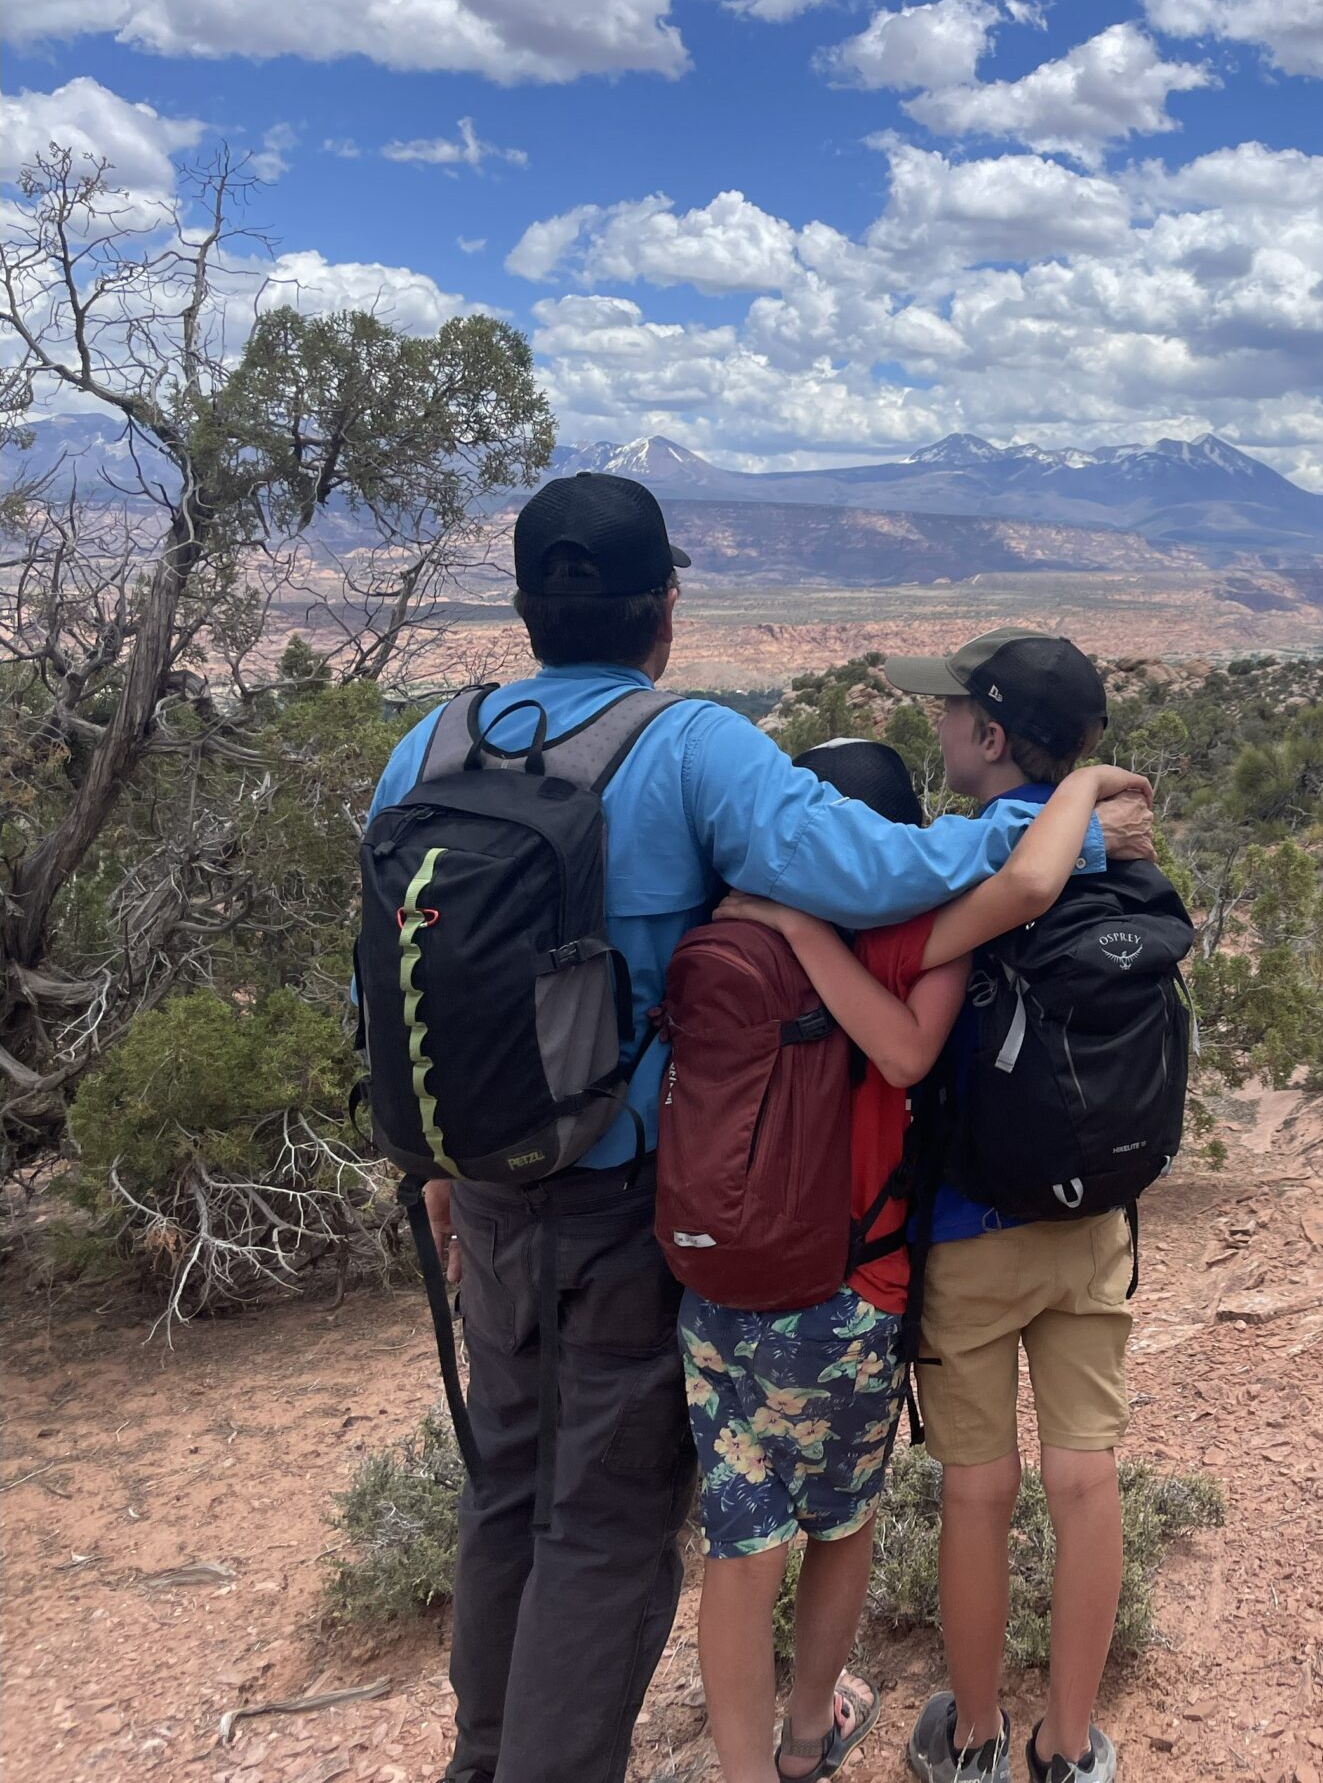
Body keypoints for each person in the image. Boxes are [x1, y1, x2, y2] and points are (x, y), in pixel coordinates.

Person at [368, 477, 1155, 1783]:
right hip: (632, 1202)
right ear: (665, 608)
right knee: (605, 1525)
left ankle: (483, 1754)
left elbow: (390, 985)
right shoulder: (685, 747)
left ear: (524, 606)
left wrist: (439, 1160)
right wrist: (1063, 820)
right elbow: (889, 877)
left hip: (487, 1189)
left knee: (505, 1483)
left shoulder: (429, 749)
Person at [686, 740, 1151, 1783]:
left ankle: (943, 1744)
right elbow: (911, 1047)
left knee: (744, 1533)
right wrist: (1083, 793)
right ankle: (1046, 1748)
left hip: (723, 1283)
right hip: (862, 1277)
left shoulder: (725, 929)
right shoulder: (909, 939)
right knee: (850, 1519)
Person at [872, 631, 1138, 1783]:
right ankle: (1069, 1747)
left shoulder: (958, 853)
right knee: (1086, 1479)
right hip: (1091, 1217)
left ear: (988, 735)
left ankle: (973, 1741)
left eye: (945, 715)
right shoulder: (1122, 854)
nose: (933, 729)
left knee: (977, 1493)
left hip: (970, 1228)